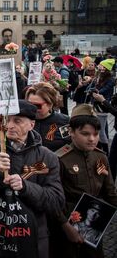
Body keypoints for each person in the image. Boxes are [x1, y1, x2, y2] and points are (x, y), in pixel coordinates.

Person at [0, 100, 65, 258]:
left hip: (32, 239)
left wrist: (26, 187)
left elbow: (56, 202)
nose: (9, 125)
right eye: (6, 119)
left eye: (17, 121)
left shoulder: (48, 156)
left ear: (31, 125)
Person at [50, 104, 117, 258]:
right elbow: (53, 199)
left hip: (93, 223)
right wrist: (65, 226)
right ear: (71, 132)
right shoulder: (60, 159)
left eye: (96, 133)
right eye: (85, 134)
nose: (92, 139)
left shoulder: (101, 157)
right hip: (66, 221)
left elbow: (110, 192)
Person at [25, 82, 70, 151]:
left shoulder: (64, 122)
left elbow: (69, 144)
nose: (32, 108)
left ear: (50, 104)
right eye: (29, 104)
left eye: (37, 106)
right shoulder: (22, 121)